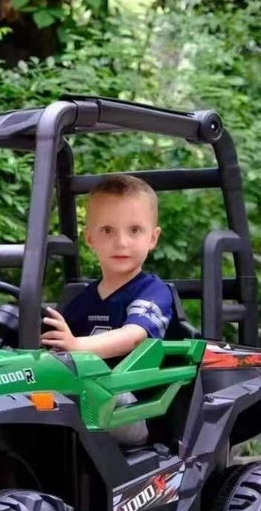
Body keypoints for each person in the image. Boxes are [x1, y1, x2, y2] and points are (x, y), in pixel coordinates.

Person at [42, 174, 174, 445]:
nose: (121, 242)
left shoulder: (153, 291)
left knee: (83, 388)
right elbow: (56, 346)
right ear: (90, 238)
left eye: (134, 230)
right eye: (108, 230)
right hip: (85, 401)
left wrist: (75, 345)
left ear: (153, 237)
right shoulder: (81, 300)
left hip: (133, 408)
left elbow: (134, 335)